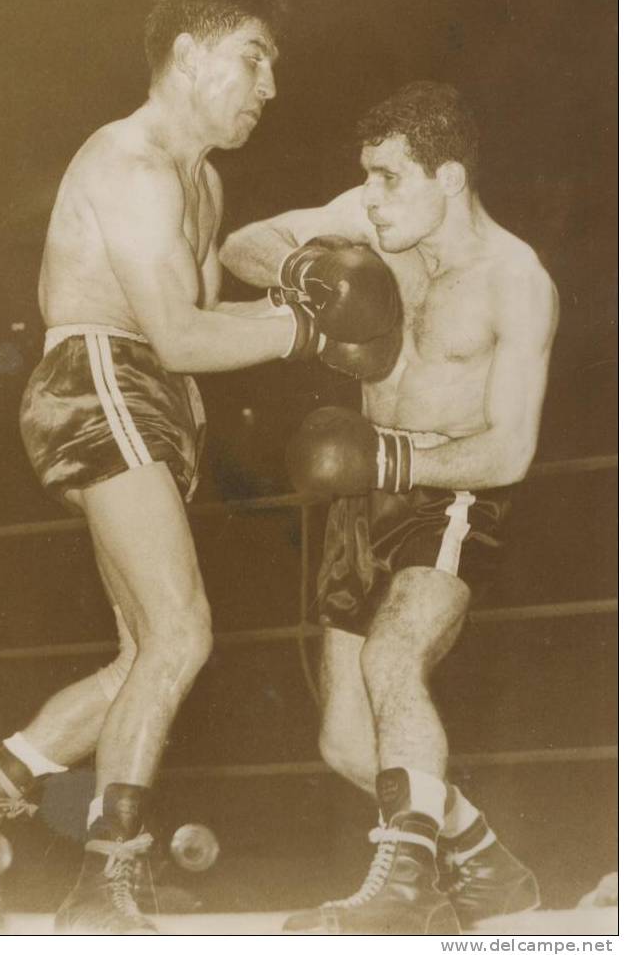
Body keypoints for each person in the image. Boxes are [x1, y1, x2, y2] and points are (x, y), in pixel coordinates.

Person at [0, 0, 396, 936]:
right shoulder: (129, 164)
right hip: (103, 375)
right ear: (187, 53)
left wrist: (292, 297)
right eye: (254, 60)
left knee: (147, 652)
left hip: (155, 400)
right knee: (182, 632)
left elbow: (204, 340)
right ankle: (107, 881)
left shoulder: (202, 184)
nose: (271, 86)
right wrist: (307, 329)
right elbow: (174, 334)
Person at [219, 81, 559, 935]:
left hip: (453, 491)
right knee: (343, 741)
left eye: (388, 180)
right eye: (365, 178)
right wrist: (305, 273)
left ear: (447, 177)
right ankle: (486, 865)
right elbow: (243, 246)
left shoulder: (516, 281)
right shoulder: (374, 220)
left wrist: (394, 456)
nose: (370, 199)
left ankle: (402, 890)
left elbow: (512, 448)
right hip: (358, 497)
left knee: (392, 659)